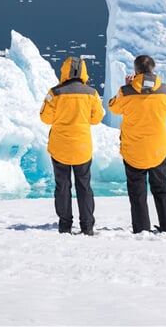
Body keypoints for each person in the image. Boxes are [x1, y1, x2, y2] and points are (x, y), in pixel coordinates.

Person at [108, 55, 166, 235]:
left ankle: (141, 229)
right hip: (158, 148)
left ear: (136, 71)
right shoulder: (165, 90)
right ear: (153, 69)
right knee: (162, 188)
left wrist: (125, 86)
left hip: (134, 149)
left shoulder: (126, 91)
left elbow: (113, 107)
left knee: (137, 190)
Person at [40, 56, 104, 235]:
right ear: (83, 71)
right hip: (82, 147)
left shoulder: (54, 93)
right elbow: (97, 118)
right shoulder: (91, 93)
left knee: (62, 186)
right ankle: (87, 226)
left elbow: (45, 118)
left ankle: (65, 224)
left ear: (64, 70)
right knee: (84, 186)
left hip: (60, 147)